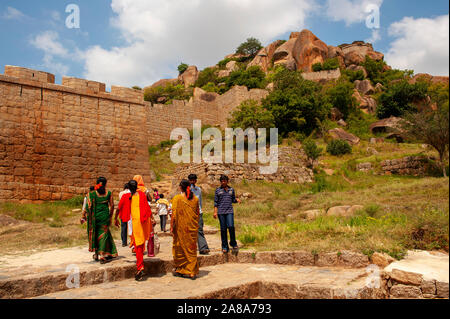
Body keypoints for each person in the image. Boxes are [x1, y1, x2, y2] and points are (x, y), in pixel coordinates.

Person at [115, 180, 152, 281]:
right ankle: (140, 266)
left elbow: (118, 208)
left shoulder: (125, 196)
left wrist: (115, 219)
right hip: (143, 223)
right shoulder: (141, 194)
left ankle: (140, 267)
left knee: (138, 246)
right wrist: (152, 219)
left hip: (136, 225)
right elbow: (147, 207)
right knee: (139, 245)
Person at [80, 177, 118, 264]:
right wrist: (110, 217)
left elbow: (87, 207)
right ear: (105, 184)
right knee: (103, 236)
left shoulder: (91, 194)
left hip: (94, 218)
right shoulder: (108, 193)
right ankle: (102, 255)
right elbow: (112, 206)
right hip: (104, 218)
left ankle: (96, 254)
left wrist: (83, 216)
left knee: (95, 234)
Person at [171, 180, 200, 279]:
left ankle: (181, 269)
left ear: (180, 187)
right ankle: (191, 271)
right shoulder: (195, 199)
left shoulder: (177, 198)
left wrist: (172, 227)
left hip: (181, 229)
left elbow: (174, 216)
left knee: (179, 248)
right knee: (191, 249)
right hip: (192, 228)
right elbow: (197, 214)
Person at [214, 175, 241, 255]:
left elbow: (233, 199)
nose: (223, 182)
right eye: (222, 181)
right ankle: (224, 246)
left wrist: (237, 200)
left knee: (231, 226)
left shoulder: (231, 190)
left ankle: (233, 243)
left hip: (229, 211)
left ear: (227, 181)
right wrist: (215, 212)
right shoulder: (218, 190)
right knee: (223, 229)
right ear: (220, 182)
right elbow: (216, 202)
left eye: (224, 181)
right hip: (221, 212)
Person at [133, 175, 156, 257]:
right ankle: (146, 250)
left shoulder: (133, 189)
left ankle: (137, 248)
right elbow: (150, 199)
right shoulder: (144, 189)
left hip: (135, 212)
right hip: (145, 211)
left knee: (137, 231)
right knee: (146, 230)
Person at [188, 174, 210, 255]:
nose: (192, 182)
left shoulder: (198, 190)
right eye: (191, 180)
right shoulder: (186, 190)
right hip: (189, 213)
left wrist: (200, 211)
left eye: (194, 180)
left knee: (199, 230)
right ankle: (190, 248)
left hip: (198, 212)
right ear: (189, 181)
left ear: (196, 180)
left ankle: (203, 248)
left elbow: (200, 202)